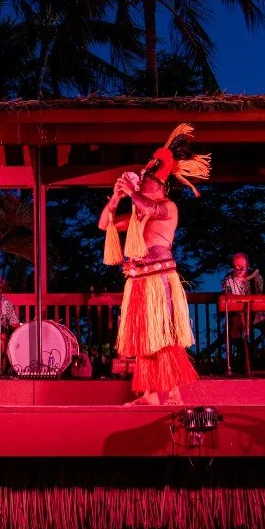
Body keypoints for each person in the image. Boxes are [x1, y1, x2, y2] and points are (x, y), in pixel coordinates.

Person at [98, 123, 210, 406]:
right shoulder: (137, 216)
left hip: (159, 280)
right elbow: (104, 225)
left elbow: (150, 208)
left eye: (144, 183)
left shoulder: (168, 206)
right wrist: (116, 197)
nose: (140, 186)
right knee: (141, 337)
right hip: (136, 279)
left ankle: (174, 394)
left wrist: (132, 193)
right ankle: (149, 395)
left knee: (162, 335)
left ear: (156, 186)